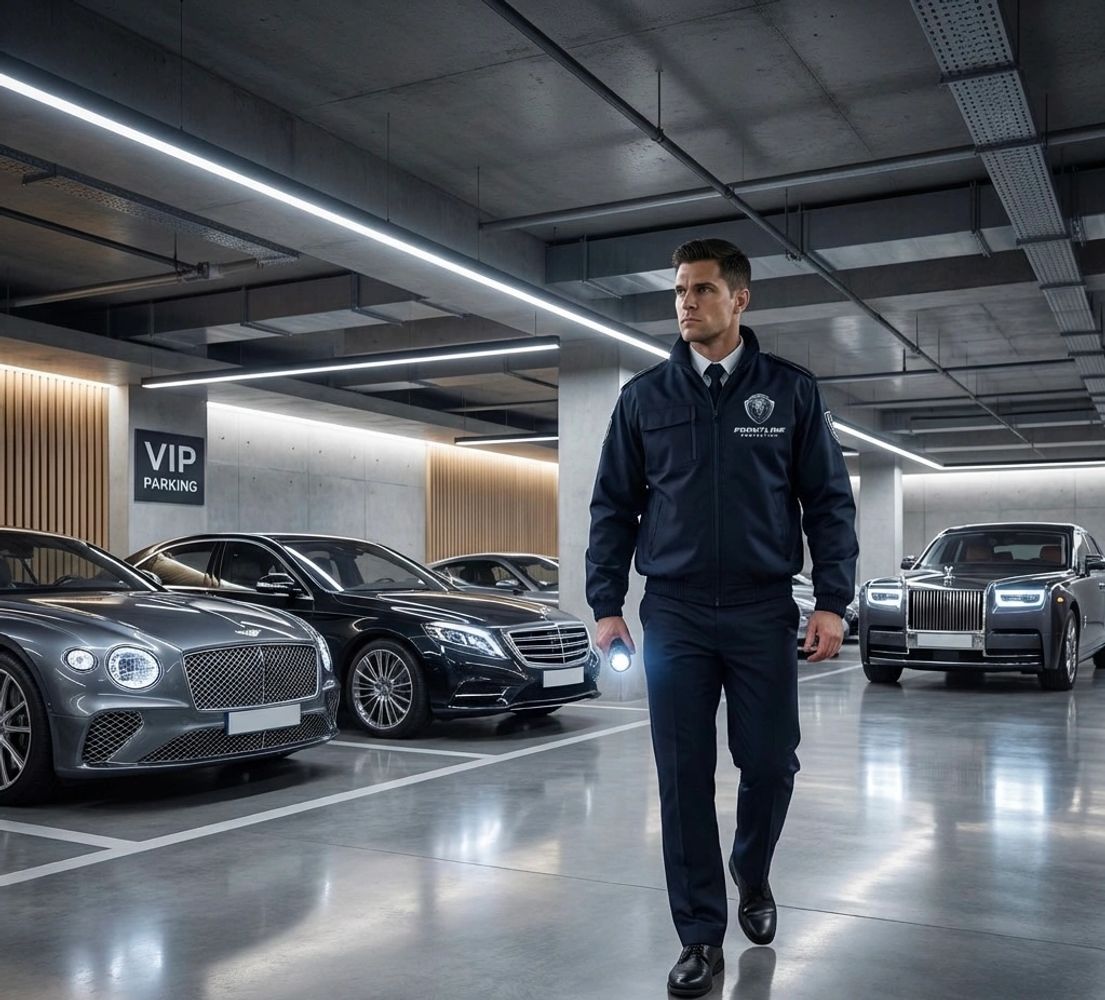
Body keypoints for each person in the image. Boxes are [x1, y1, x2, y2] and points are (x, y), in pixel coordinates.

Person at [586, 238, 858, 997]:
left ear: (739, 300)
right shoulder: (644, 398)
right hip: (672, 610)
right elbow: (612, 507)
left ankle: (751, 867)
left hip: (758, 607)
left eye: (701, 291)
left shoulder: (790, 392)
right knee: (681, 778)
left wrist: (832, 600)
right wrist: (605, 604)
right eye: (679, 291)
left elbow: (829, 504)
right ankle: (700, 935)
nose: (685, 304)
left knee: (769, 764)